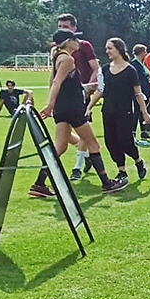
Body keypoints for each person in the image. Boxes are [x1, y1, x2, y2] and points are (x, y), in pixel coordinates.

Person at [29, 30, 125, 196]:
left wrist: (54, 105)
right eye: (75, 38)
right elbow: (57, 83)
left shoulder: (57, 57)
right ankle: (106, 183)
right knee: (93, 144)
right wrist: (49, 105)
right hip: (72, 109)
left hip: (62, 109)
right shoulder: (67, 59)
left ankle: (39, 184)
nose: (78, 41)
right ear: (68, 42)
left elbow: (54, 82)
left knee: (59, 147)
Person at [86, 38, 150, 185]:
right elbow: (100, 90)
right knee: (111, 142)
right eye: (107, 48)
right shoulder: (105, 69)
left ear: (119, 49)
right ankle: (122, 171)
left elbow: (138, 93)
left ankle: (138, 161)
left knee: (125, 142)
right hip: (108, 111)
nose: (107, 51)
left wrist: (145, 112)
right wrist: (89, 107)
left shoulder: (130, 70)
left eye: (110, 48)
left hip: (124, 112)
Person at [57, 13, 99, 178]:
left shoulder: (84, 45)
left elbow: (95, 68)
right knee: (64, 137)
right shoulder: (57, 48)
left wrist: (88, 89)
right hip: (63, 97)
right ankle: (88, 155)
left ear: (74, 29)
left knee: (82, 130)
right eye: (60, 26)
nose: (62, 30)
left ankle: (77, 167)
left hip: (80, 93)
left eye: (66, 27)